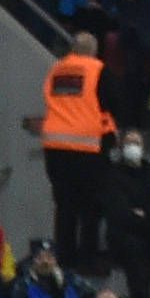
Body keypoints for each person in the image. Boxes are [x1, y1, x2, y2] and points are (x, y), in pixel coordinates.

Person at [26, 31, 113, 274]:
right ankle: (88, 260)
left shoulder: (57, 70)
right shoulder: (98, 70)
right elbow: (109, 104)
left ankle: (65, 258)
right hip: (88, 148)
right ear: (93, 50)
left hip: (55, 148)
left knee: (64, 207)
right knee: (91, 209)